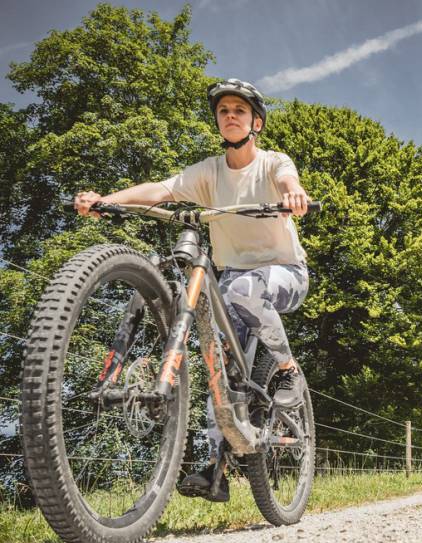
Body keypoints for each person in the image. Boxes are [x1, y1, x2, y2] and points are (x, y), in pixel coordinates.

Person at [74, 78, 312, 502]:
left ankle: (288, 369)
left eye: (239, 110)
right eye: (224, 111)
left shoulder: (273, 162)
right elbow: (162, 190)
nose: (231, 116)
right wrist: (107, 200)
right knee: (219, 367)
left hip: (284, 272)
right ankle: (215, 469)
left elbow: (287, 178)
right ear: (218, 122)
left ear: (255, 121)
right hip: (235, 278)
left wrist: (294, 194)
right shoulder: (207, 172)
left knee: (239, 288)